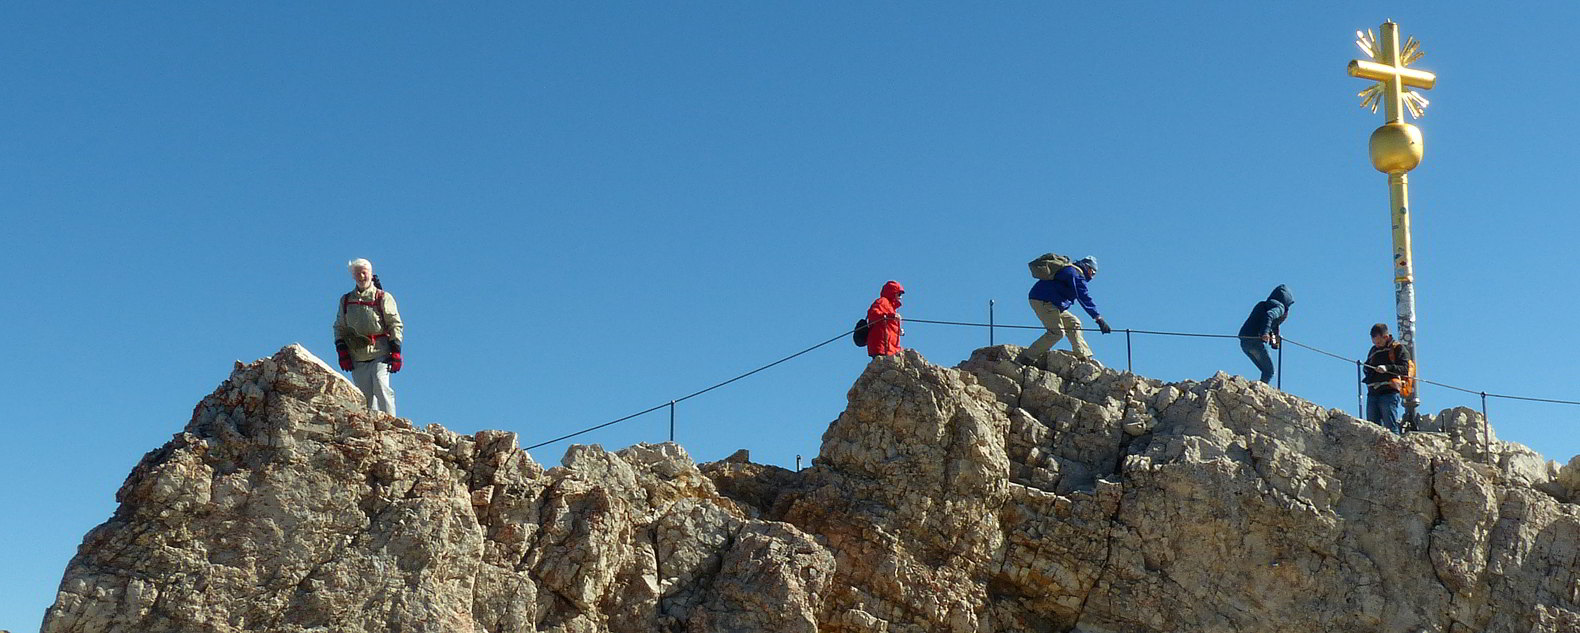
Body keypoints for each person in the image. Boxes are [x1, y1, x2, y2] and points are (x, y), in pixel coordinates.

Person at [333, 258, 404, 416]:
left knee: (381, 387)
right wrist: (342, 352)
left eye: (364, 273)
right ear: (353, 276)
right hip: (357, 356)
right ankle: (371, 431)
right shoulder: (346, 301)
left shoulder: (382, 297)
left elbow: (395, 324)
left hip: (381, 353)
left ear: (371, 274)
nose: (361, 276)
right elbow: (339, 327)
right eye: (357, 273)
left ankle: (391, 426)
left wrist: (396, 352)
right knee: (364, 397)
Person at [1017, 256, 1111, 366]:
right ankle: (1028, 357)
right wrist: (1098, 318)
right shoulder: (1075, 274)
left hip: (1050, 303)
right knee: (1057, 332)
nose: (1092, 276)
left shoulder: (1070, 271)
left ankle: (1083, 355)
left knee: (1074, 323)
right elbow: (1083, 297)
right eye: (1093, 272)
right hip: (1044, 301)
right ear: (1087, 267)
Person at [1237, 285, 1295, 384]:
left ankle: (1257, 389)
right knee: (1269, 372)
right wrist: (1265, 333)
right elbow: (1270, 316)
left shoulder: (1262, 304)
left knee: (1265, 370)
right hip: (1256, 341)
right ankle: (1259, 391)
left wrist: (1272, 335)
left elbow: (1264, 320)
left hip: (1244, 342)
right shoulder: (1280, 307)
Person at [1362, 322, 1412, 434]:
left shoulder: (1398, 348)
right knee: (1372, 428)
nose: (1377, 345)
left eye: (1379, 342)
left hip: (1389, 393)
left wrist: (1387, 368)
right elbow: (1367, 366)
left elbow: (1405, 368)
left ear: (1386, 337)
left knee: (1390, 427)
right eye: (1374, 342)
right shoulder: (1373, 350)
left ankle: (1395, 449)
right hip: (1373, 392)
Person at [866, 280, 905, 357]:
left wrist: (898, 331)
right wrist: (890, 315)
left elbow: (889, 326)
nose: (901, 297)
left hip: (889, 348)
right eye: (899, 294)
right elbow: (873, 314)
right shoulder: (882, 302)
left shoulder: (891, 307)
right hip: (882, 346)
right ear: (893, 293)